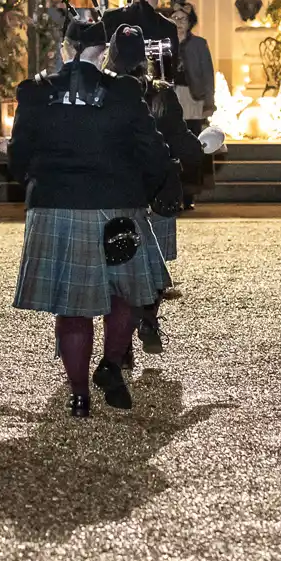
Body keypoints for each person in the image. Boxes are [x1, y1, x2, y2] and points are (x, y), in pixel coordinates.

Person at [8, 16, 175, 417]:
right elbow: (153, 152)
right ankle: (111, 364)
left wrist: (27, 170)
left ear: (65, 48)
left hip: (56, 207)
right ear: (103, 53)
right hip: (117, 206)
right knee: (125, 295)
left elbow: (19, 159)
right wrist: (147, 191)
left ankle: (79, 396)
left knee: (72, 306)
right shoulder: (125, 92)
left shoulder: (35, 92)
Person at [105, 22, 203, 356]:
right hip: (160, 189)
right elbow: (178, 137)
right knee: (154, 267)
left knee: (122, 268)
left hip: (120, 191)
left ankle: (124, 342)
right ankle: (148, 320)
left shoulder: (105, 91)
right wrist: (198, 152)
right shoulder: (162, 92)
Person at [169, 2, 215, 208]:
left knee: (192, 144)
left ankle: (189, 194)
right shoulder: (165, 43)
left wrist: (209, 102)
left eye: (183, 19)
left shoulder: (199, 44)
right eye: (175, 18)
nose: (179, 23)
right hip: (170, 97)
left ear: (190, 23)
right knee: (172, 145)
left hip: (192, 97)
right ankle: (173, 192)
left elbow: (207, 75)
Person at [107, 0, 183, 84]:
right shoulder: (167, 26)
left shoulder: (111, 18)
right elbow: (171, 70)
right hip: (153, 96)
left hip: (114, 92)